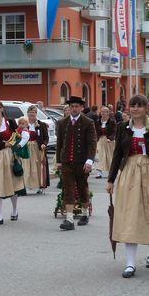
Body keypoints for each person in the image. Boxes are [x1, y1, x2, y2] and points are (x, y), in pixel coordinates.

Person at [107, 94, 149, 278]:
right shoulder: (123, 128)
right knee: (130, 216)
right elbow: (118, 154)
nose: (135, 109)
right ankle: (130, 263)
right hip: (129, 174)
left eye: (139, 105)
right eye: (133, 105)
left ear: (146, 108)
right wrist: (111, 179)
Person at [55, 96, 97, 230]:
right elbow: (59, 143)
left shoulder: (88, 122)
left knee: (82, 188)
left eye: (76, 106)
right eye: (72, 106)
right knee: (68, 189)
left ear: (81, 108)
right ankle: (69, 219)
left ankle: (84, 213)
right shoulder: (62, 122)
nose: (74, 109)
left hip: (82, 162)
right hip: (67, 161)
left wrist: (89, 161)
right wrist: (59, 161)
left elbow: (92, 144)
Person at [0, 102, 26, 225]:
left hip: (10, 156)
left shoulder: (10, 122)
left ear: (1, 109)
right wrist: (4, 144)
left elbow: (17, 136)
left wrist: (18, 142)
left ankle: (14, 210)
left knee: (13, 183)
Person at [23, 105, 50, 193]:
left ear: (36, 114)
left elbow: (46, 137)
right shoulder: (24, 124)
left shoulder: (41, 125)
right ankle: (25, 186)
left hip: (37, 148)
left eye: (33, 113)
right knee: (26, 167)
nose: (31, 115)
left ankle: (40, 185)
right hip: (26, 148)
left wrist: (44, 144)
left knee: (38, 167)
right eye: (30, 113)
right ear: (27, 114)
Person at [94, 106, 116, 178]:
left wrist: (110, 138)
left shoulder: (112, 122)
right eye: (102, 111)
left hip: (109, 141)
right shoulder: (98, 121)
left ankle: (111, 172)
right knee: (100, 155)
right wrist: (95, 139)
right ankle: (99, 172)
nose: (102, 113)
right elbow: (95, 131)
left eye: (104, 112)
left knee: (109, 156)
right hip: (100, 140)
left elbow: (114, 132)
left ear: (108, 113)